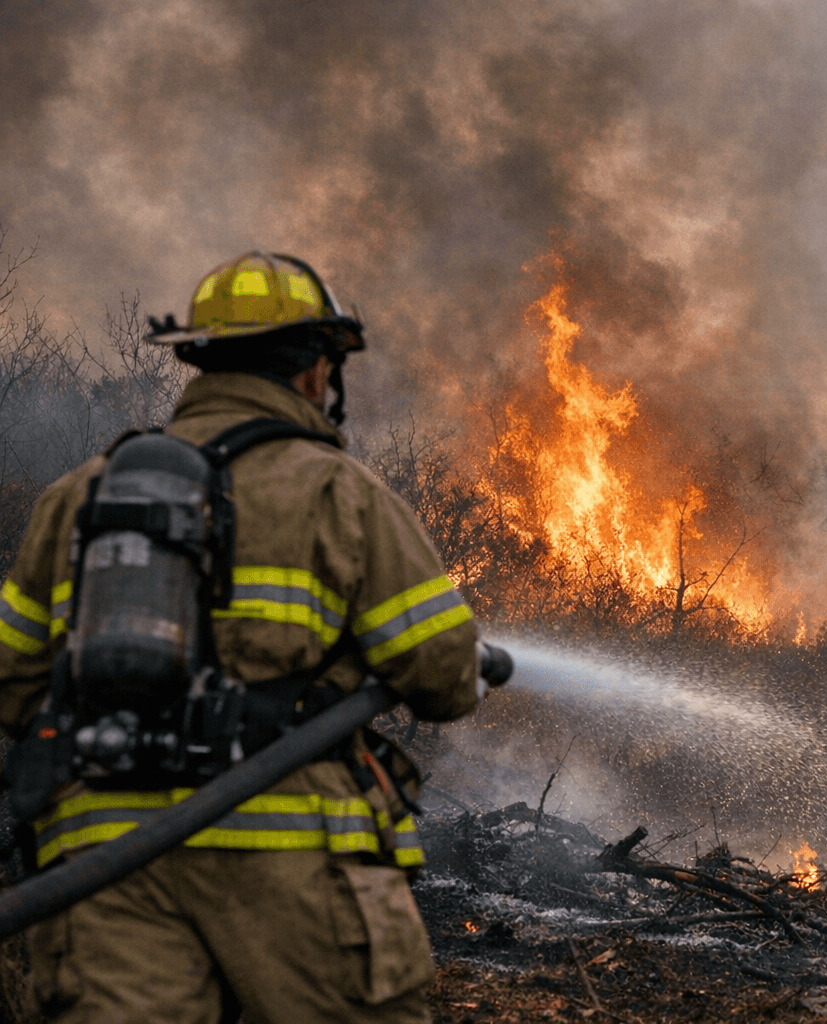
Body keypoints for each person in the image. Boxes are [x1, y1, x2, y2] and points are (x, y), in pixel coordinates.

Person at [0, 252, 481, 1022]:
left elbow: (12, 681)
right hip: (293, 857)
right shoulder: (339, 493)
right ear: (316, 370)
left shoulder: (76, 498)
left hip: (105, 861)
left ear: (202, 361)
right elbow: (446, 677)